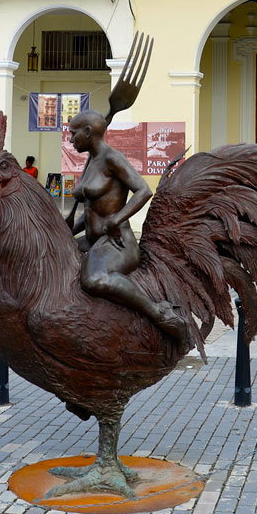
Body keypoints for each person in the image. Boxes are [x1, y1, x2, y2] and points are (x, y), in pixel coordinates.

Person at [67, 109, 188, 343]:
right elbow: (92, 210)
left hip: (117, 243)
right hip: (93, 240)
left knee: (94, 279)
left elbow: (144, 190)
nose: (71, 140)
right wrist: (65, 232)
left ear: (88, 132)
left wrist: (117, 219)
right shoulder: (91, 160)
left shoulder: (112, 158)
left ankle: (158, 312)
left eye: (74, 134)